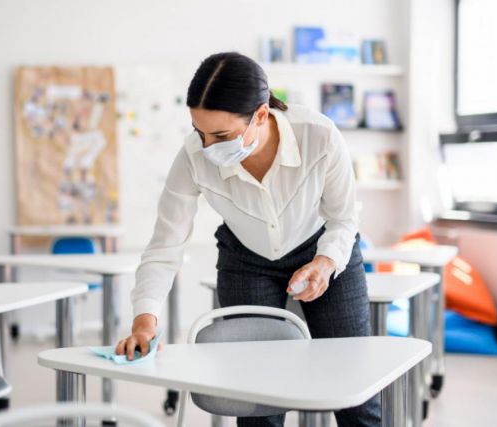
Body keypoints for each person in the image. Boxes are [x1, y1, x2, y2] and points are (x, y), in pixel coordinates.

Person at [116, 51, 380, 427]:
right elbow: (165, 245)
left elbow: (344, 217)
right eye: (199, 131)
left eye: (221, 135)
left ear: (261, 114)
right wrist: (145, 320)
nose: (208, 146)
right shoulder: (193, 157)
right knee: (256, 401)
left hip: (324, 250)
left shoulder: (318, 135)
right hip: (246, 260)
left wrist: (325, 264)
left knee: (357, 394)